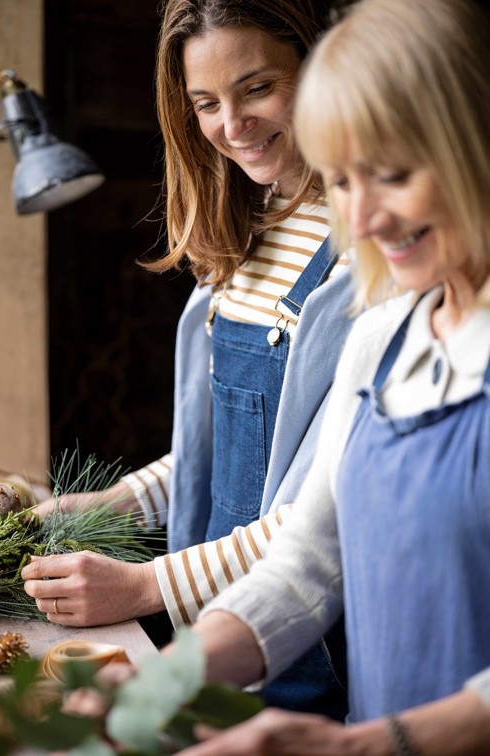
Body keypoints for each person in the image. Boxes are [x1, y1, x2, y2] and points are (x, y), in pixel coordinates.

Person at [125, 0, 490, 751]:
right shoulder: (383, 335)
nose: (359, 221)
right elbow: (307, 565)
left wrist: (362, 745)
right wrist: (153, 680)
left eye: (389, 175)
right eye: (341, 181)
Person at [22, 0, 355, 716]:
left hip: (307, 656)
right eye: (205, 103)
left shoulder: (370, 251)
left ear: (321, 64)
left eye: (257, 88)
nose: (231, 127)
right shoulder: (246, 237)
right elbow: (220, 457)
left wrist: (148, 586)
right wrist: (106, 506)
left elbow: (320, 517)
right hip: (212, 625)